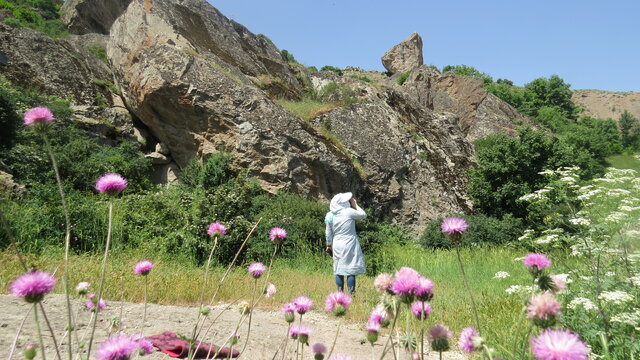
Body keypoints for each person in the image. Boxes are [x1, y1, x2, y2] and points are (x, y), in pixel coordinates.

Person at [325, 192, 366, 294]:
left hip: (337, 243)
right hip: (350, 243)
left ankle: (340, 294)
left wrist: (329, 245)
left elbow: (328, 233)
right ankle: (352, 294)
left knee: (339, 269)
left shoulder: (330, 215)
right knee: (350, 269)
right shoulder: (348, 212)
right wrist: (355, 204)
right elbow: (363, 215)